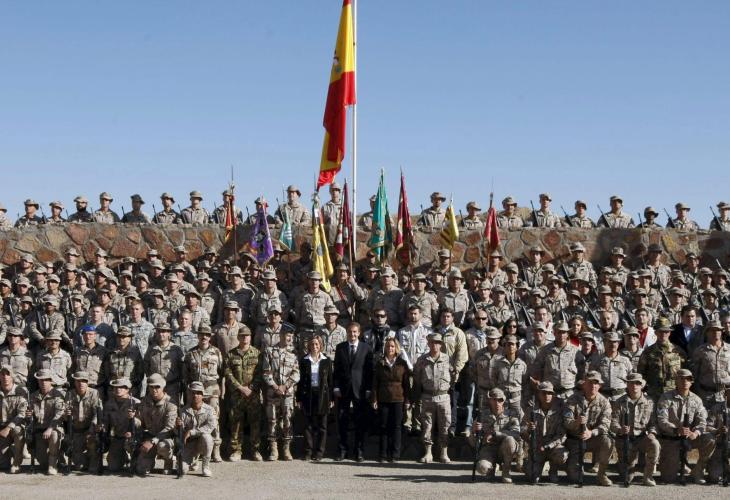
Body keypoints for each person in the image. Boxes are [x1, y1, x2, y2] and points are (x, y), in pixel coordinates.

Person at [656, 369, 716, 484]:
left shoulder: (697, 399)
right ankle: (679, 464)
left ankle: (698, 470)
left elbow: (702, 421)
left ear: (691, 382)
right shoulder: (665, 397)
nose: (685, 381)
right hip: (671, 439)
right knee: (668, 478)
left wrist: (696, 433)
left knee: (710, 439)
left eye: (688, 379)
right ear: (676, 381)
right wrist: (676, 430)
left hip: (690, 437)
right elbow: (661, 420)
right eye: (681, 379)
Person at [563, 370, 613, 486]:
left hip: (593, 439)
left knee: (608, 441)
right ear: (584, 384)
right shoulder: (572, 400)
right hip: (575, 441)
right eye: (590, 383)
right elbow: (566, 422)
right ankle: (570, 466)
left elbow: (605, 425)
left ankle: (602, 474)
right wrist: (576, 422)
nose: (593, 386)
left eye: (596, 383)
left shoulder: (604, 402)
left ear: (600, 386)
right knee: (574, 478)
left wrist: (591, 432)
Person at [609, 372, 660, 486]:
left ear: (642, 385)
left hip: (642, 438)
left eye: (637, 383)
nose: (634, 386)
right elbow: (613, 422)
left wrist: (652, 433)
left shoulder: (650, 402)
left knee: (654, 444)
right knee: (626, 476)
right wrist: (620, 429)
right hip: (625, 439)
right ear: (627, 385)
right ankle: (627, 467)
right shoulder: (619, 402)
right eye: (631, 383)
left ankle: (648, 476)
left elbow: (654, 423)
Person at [333, 322, 373, 462]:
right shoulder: (340, 347)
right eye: (350, 332)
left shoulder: (366, 348)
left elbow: (369, 371)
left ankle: (359, 451)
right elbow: (337, 369)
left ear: (359, 333)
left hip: (360, 389)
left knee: (360, 421)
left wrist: (368, 389)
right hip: (343, 389)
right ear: (347, 333)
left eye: (355, 332)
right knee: (342, 420)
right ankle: (342, 450)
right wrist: (336, 387)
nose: (352, 334)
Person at [224, 328, 262, 461]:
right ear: (238, 337)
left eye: (247, 335)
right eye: (242, 336)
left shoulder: (257, 353)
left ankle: (255, 450)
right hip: (237, 394)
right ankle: (236, 450)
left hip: (252, 394)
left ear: (250, 337)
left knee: (255, 422)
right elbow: (228, 374)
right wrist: (240, 387)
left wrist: (251, 388)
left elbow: (260, 373)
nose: (245, 338)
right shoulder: (231, 354)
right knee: (236, 423)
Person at [413, 333, 452, 464]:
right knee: (427, 425)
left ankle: (444, 452)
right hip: (427, 396)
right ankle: (428, 452)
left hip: (443, 396)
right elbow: (417, 379)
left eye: (437, 342)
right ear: (428, 343)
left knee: (445, 425)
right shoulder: (422, 360)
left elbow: (453, 376)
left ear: (441, 344)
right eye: (432, 342)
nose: (435, 345)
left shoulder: (447, 359)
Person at [262, 330, 300, 461]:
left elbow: (296, 373)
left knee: (287, 419)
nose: (289, 338)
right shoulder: (270, 351)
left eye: (291, 336)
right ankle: (273, 448)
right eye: (287, 335)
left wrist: (285, 386)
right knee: (272, 420)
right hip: (273, 392)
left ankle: (286, 448)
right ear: (281, 335)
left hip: (287, 393)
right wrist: (275, 386)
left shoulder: (294, 353)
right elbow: (266, 372)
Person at [520, 381, 567, 483]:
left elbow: (562, 435)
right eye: (544, 393)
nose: (547, 396)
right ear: (539, 394)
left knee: (561, 454)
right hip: (537, 446)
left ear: (553, 394)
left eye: (549, 393)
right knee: (532, 477)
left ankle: (553, 470)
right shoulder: (531, 409)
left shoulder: (559, 409)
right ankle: (530, 464)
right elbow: (522, 429)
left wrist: (547, 446)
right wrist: (528, 429)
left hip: (553, 446)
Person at [371, 337, 409, 462]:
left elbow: (406, 384)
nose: (390, 348)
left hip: (398, 399)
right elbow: (375, 383)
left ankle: (395, 454)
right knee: (384, 426)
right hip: (383, 399)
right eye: (388, 346)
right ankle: (383, 454)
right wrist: (374, 399)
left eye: (392, 346)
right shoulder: (380, 363)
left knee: (397, 427)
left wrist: (407, 400)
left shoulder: (402, 363)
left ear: (396, 348)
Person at [471, 388, 521, 483]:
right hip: (489, 449)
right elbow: (473, 442)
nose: (497, 403)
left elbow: (516, 434)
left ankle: (506, 471)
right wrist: (473, 431)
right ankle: (491, 468)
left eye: (500, 400)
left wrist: (495, 434)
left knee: (510, 440)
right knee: (482, 467)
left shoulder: (511, 415)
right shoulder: (482, 415)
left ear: (504, 401)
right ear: (490, 400)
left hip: (504, 449)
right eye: (494, 399)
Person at [296, 335, 333, 461]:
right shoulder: (304, 360)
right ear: (309, 346)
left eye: (317, 344)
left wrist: (331, 399)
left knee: (322, 426)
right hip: (307, 395)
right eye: (312, 344)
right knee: (307, 425)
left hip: (322, 395)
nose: (314, 346)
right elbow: (300, 382)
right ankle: (308, 451)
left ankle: (319, 452)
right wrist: (298, 398)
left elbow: (330, 380)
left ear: (320, 345)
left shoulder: (326, 361)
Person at [134, 373, 177, 475]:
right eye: (151, 387)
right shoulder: (144, 402)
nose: (154, 390)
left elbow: (169, 427)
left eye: (157, 387)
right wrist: (134, 420)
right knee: (141, 470)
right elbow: (140, 421)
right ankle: (144, 459)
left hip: (165, 437)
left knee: (163, 446)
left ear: (163, 387)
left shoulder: (171, 403)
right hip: (149, 435)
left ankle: (168, 461)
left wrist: (153, 441)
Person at [177, 381, 216, 477]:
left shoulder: (210, 410)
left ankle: (206, 466)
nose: (195, 395)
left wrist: (192, 432)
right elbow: (179, 433)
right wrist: (177, 426)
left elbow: (210, 426)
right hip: (189, 444)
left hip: (202, 442)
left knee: (207, 438)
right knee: (182, 470)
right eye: (193, 393)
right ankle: (193, 460)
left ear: (202, 395)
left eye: (198, 393)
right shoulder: (183, 411)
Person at [0, 365, 28, 473]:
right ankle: (9, 452)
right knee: (2, 465)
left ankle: (17, 462)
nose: (5, 377)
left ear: (12, 376)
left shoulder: (21, 391)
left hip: (15, 426)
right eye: (2, 374)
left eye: (8, 374)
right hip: (1, 428)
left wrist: (8, 428)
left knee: (18, 431)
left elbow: (21, 414)